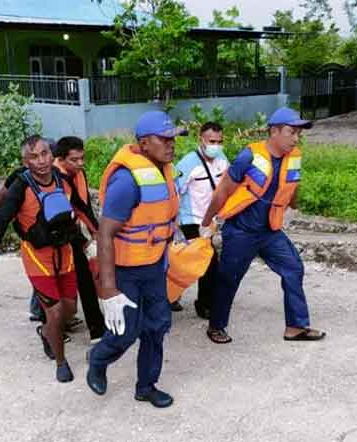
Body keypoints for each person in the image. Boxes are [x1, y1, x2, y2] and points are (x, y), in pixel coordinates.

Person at [200, 107, 326, 344]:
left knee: (294, 268)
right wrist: (207, 222)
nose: (296, 138)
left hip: (270, 231)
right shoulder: (249, 156)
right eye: (291, 132)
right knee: (229, 278)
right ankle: (216, 325)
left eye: (298, 134)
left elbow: (293, 188)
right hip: (241, 231)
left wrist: (294, 199)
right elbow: (223, 191)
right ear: (274, 131)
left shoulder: (294, 157)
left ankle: (296, 326)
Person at [86, 111, 183, 408]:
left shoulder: (165, 170)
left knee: (157, 327)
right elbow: (105, 234)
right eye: (164, 139)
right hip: (125, 270)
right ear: (143, 143)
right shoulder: (127, 181)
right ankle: (98, 359)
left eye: (173, 139)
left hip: (153, 265)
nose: (171, 145)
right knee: (125, 332)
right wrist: (109, 288)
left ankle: (146, 386)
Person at [0, 135, 78, 383]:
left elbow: (79, 210)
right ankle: (61, 362)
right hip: (38, 257)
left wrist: (95, 235)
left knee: (68, 310)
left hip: (64, 253)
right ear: (25, 162)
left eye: (45, 153)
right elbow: (2, 217)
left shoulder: (64, 180)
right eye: (34, 157)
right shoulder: (20, 187)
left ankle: (46, 332)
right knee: (54, 313)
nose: (42, 160)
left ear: (52, 154)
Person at [52, 136, 107, 344]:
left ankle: (84, 324)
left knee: (77, 277)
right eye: (75, 160)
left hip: (74, 231)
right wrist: (85, 240)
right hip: (59, 236)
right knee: (76, 278)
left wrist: (95, 231)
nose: (80, 164)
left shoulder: (77, 173)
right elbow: (67, 213)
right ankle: (95, 329)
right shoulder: (55, 179)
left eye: (82, 158)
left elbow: (83, 206)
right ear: (61, 159)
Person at [174, 121, 228, 318]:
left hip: (212, 220)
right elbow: (174, 192)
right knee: (209, 262)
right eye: (212, 141)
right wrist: (173, 222)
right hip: (192, 220)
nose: (216, 145)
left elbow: (226, 184)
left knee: (189, 262)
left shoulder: (222, 158)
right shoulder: (187, 164)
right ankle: (204, 304)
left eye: (219, 141)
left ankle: (171, 295)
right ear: (201, 140)